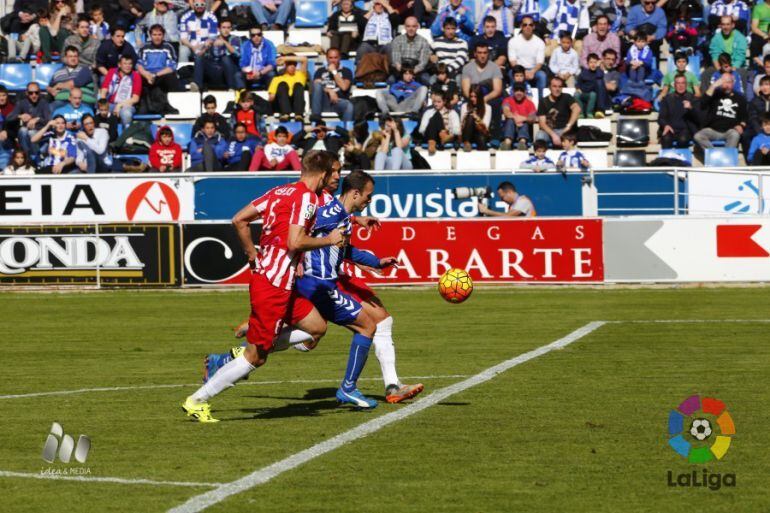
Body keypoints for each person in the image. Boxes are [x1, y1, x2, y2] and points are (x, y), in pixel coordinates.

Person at [181, 151, 345, 422]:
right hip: (274, 286)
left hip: (276, 280)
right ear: (324, 172)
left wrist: (252, 254)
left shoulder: (280, 191)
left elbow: (239, 219)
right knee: (255, 358)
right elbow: (295, 241)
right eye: (335, 171)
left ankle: (254, 343)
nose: (337, 176)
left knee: (316, 327)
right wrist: (329, 240)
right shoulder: (306, 197)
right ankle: (197, 400)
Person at [137, 24, 181, 115]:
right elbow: (139, 65)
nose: (157, 37)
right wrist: (147, 75)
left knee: (169, 77)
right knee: (137, 77)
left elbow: (171, 66)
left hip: (161, 75)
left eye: (159, 34)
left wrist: (155, 75)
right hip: (147, 75)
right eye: (154, 35)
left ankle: (160, 105)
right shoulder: (144, 47)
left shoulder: (168, 47)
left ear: (163, 35)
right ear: (150, 35)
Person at [694, 73, 747, 149]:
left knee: (735, 134)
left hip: (730, 130)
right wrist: (713, 86)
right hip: (713, 129)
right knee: (698, 136)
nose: (727, 85)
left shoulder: (740, 98)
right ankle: (713, 153)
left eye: (729, 82)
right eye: (724, 82)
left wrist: (741, 126)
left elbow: (744, 117)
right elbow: (703, 103)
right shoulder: (715, 94)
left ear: (733, 82)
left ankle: (728, 156)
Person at [461, 44, 503, 135]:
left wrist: (483, 100)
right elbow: (465, 90)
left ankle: (495, 137)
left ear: (488, 54)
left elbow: (497, 90)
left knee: (496, 105)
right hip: (472, 96)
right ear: (475, 54)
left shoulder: (495, 68)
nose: (482, 55)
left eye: (485, 53)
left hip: (488, 97)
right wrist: (476, 99)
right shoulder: (467, 68)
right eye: (479, 53)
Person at [194, 17, 245, 91]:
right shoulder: (212, 39)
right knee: (199, 58)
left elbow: (237, 54)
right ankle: (198, 86)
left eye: (228, 28)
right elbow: (198, 55)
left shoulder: (235, 39)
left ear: (231, 29)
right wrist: (205, 47)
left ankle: (231, 87)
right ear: (219, 29)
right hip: (214, 69)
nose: (226, 30)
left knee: (225, 58)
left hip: (229, 69)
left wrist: (224, 43)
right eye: (223, 27)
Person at [7, 82, 51, 161]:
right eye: (31, 93)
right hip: (26, 133)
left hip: (40, 133)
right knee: (23, 130)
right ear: (27, 93)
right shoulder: (22, 103)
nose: (34, 95)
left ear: (40, 92)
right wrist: (20, 116)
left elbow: (49, 120)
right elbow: (9, 117)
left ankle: (35, 157)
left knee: (31, 133)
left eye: (36, 93)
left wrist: (37, 119)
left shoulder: (44, 103)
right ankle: (26, 156)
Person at [311, 48, 355, 122]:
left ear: (340, 58)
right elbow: (316, 85)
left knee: (349, 105)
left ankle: (346, 130)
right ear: (326, 58)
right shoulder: (320, 71)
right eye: (330, 58)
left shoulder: (346, 71)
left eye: (335, 57)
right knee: (318, 86)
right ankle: (316, 117)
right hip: (323, 101)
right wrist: (329, 91)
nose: (333, 60)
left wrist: (334, 72)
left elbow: (344, 87)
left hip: (338, 101)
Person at [536, 76, 581, 147]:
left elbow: (577, 109)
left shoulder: (567, 97)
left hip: (564, 130)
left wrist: (568, 126)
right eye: (554, 86)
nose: (557, 89)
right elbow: (542, 123)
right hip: (549, 131)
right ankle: (541, 156)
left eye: (560, 87)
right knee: (540, 136)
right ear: (549, 88)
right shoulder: (543, 101)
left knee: (568, 138)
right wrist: (553, 135)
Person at [507, 15, 546, 95]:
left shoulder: (540, 42)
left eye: (530, 25)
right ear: (521, 27)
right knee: (511, 73)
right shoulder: (513, 41)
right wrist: (523, 73)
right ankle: (512, 99)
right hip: (518, 69)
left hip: (534, 70)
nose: (528, 27)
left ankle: (541, 102)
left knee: (542, 76)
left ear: (534, 27)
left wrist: (532, 71)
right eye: (525, 25)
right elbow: (512, 61)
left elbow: (540, 62)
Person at [658, 74, 699, 149]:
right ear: (674, 85)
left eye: (683, 83)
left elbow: (699, 117)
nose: (681, 86)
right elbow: (661, 117)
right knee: (666, 139)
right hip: (670, 128)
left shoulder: (693, 98)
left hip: (685, 129)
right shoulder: (667, 99)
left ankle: (681, 160)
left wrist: (691, 108)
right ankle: (666, 160)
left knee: (683, 139)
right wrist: (665, 125)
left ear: (686, 85)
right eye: (678, 83)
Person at [100, 55, 142, 128]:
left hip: (127, 104)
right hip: (110, 103)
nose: (128, 66)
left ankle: (126, 136)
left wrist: (119, 105)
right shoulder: (112, 72)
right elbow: (104, 90)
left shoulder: (136, 76)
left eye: (130, 64)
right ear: (119, 65)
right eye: (125, 64)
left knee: (126, 113)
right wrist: (103, 104)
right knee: (101, 109)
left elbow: (135, 99)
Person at [390, 16, 431, 83]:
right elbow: (396, 60)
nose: (411, 29)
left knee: (426, 80)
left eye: (413, 26)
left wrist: (411, 73)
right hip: (401, 69)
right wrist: (405, 73)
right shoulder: (397, 40)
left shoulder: (423, 41)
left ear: (417, 27)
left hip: (417, 70)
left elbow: (423, 62)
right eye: (408, 26)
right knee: (390, 80)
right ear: (405, 27)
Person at [268, 55, 308, 122]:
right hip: (281, 104)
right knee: (282, 84)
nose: (292, 66)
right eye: (289, 64)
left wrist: (284, 58)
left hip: (296, 103)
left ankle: (298, 114)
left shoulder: (300, 75)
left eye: (294, 64)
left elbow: (304, 59)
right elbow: (271, 97)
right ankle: (285, 113)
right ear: (285, 65)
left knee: (298, 85)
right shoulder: (277, 79)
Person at [501, 83, 537, 150]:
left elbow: (533, 118)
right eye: (517, 90)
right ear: (513, 91)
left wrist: (523, 118)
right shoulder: (507, 100)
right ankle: (507, 143)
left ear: (525, 92)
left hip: (524, 130)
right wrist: (516, 118)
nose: (519, 93)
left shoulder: (530, 103)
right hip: (511, 128)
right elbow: (506, 112)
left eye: (521, 91)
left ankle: (522, 143)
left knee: (525, 122)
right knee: (510, 120)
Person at [575, 53, 607, 118]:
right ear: (587, 63)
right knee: (576, 95)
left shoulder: (599, 72)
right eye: (591, 62)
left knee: (593, 94)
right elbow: (578, 81)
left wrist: (598, 67)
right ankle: (581, 113)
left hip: (592, 93)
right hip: (583, 92)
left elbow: (600, 76)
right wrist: (578, 88)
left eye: (595, 62)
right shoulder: (584, 72)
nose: (593, 64)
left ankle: (589, 112)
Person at [460, 85, 491, 151]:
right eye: (471, 96)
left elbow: (485, 126)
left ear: (480, 97)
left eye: (475, 97)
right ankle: (467, 143)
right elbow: (462, 126)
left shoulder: (487, 107)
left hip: (480, 132)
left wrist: (477, 118)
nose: (472, 99)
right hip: (467, 133)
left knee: (481, 138)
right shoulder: (464, 106)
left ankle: (482, 158)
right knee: (470, 117)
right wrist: (466, 117)